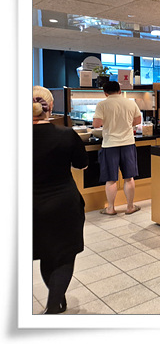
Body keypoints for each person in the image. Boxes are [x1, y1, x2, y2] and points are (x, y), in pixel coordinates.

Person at [33, 86, 89, 314]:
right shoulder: (66, 135)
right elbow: (82, 164)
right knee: (64, 254)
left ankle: (56, 299)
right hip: (64, 203)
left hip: (30, 205)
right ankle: (54, 302)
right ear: (51, 107)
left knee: (45, 252)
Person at [92, 80, 142, 215]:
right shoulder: (130, 102)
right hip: (128, 143)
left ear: (105, 93)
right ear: (120, 91)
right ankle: (130, 207)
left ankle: (110, 208)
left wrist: (108, 123)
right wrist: (126, 124)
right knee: (129, 177)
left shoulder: (102, 104)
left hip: (110, 145)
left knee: (111, 179)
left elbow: (96, 124)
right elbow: (138, 120)